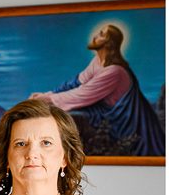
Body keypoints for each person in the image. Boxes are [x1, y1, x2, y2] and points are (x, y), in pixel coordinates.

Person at [30, 24, 165, 157]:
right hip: (102, 111)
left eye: (101, 35)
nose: (95, 36)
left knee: (70, 118)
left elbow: (84, 94)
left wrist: (49, 99)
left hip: (122, 121)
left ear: (108, 43)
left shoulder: (115, 71)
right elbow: (76, 83)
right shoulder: (98, 61)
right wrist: (48, 94)